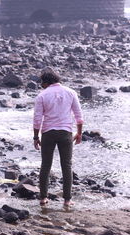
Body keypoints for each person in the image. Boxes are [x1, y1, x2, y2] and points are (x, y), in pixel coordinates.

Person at [33, 69, 84, 207]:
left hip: (48, 133)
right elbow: (79, 117)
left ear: (46, 82)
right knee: (66, 165)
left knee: (46, 165)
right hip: (66, 132)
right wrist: (79, 133)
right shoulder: (71, 92)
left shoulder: (42, 96)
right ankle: (67, 200)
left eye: (42, 83)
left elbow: (37, 119)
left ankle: (43, 198)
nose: (41, 85)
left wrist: (35, 137)